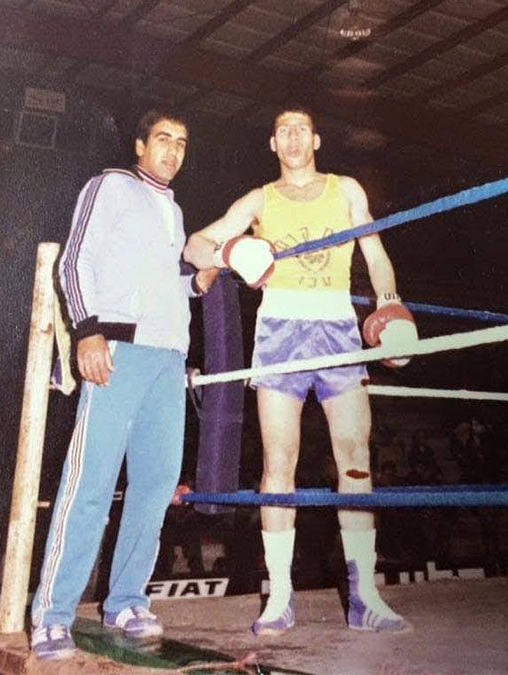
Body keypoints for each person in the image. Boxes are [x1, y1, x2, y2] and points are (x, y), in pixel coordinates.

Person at [183, 106, 418, 636]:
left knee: (355, 458)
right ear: (272, 143)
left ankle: (365, 597)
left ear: (316, 139)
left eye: (301, 130)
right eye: (283, 131)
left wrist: (388, 303)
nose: (292, 138)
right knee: (279, 462)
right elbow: (194, 244)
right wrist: (230, 252)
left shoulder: (346, 189)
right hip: (280, 330)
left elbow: (375, 252)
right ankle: (279, 598)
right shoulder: (259, 199)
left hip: (337, 326)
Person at [31, 109, 217, 660]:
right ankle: (51, 616)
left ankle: (127, 601)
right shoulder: (110, 185)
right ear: (140, 145)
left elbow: (160, 283)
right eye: (163, 139)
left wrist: (196, 284)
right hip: (117, 350)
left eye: (182, 143)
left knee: (156, 485)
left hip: (168, 359)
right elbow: (73, 263)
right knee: (89, 483)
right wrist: (87, 332)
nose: (173, 150)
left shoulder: (174, 211)